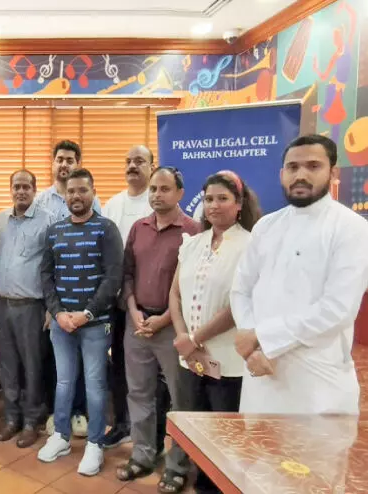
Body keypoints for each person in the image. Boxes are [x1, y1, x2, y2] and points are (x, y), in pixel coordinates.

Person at [231, 134, 368, 415]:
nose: (301, 175)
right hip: (260, 372)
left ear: (333, 173)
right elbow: (241, 290)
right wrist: (252, 343)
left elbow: (337, 310)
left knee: (316, 446)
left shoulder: (351, 228)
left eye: (313, 166)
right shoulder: (266, 226)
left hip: (317, 383)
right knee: (255, 444)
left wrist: (263, 337)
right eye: (293, 167)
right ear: (282, 174)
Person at [169, 171, 261, 494]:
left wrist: (195, 339)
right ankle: (200, 484)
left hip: (227, 362)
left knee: (224, 434)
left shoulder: (251, 245)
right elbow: (175, 294)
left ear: (239, 204)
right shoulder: (193, 243)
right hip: (188, 358)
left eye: (223, 198)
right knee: (196, 428)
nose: (214, 205)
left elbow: (239, 306)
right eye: (209, 199)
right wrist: (183, 337)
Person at [116, 167, 200, 494]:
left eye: (164, 189)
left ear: (180, 193)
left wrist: (164, 319)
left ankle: (178, 465)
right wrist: (134, 310)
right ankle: (143, 455)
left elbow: (193, 286)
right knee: (139, 393)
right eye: (153, 189)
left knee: (180, 398)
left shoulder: (193, 231)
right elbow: (126, 274)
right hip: (137, 324)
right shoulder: (139, 228)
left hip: (173, 328)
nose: (157, 195)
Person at [37, 168, 123, 476]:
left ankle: (95, 444)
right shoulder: (55, 231)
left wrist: (86, 313)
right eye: (71, 191)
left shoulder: (106, 229)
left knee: (95, 385)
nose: (76, 195)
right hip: (62, 324)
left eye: (82, 190)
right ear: (65, 195)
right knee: (63, 382)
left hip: (95, 324)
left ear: (93, 193)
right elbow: (46, 276)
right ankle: (61, 436)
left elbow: (113, 277)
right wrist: (58, 312)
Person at [34, 140, 100, 437]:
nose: (64, 164)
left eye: (70, 159)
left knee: (83, 359)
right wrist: (52, 306)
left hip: (84, 295)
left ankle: (78, 413)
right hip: (52, 297)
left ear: (78, 164)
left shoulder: (92, 201)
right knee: (54, 359)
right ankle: (55, 412)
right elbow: (42, 256)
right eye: (59, 159)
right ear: (53, 163)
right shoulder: (40, 201)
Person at [0, 170, 53, 448]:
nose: (21, 191)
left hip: (31, 306)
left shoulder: (47, 221)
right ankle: (11, 418)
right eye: (16, 186)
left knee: (32, 366)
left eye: (26, 187)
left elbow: (54, 267)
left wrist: (51, 307)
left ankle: (31, 421)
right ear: (10, 190)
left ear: (34, 190)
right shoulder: (0, 221)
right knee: (7, 365)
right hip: (1, 304)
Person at [100, 144, 154, 449]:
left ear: (151, 166)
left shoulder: (156, 201)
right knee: (119, 365)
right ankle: (122, 424)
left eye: (139, 161)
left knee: (148, 372)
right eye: (129, 161)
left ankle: (149, 432)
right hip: (116, 303)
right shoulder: (113, 204)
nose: (132, 166)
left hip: (149, 304)